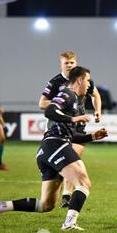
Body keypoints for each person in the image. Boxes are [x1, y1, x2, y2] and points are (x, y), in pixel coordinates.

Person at [0, 66, 108, 230]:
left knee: (46, 205)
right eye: (87, 80)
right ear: (79, 80)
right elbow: (49, 110)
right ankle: (69, 223)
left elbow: (71, 136)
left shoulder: (74, 101)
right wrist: (73, 119)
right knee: (83, 182)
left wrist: (92, 136)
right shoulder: (67, 94)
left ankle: (0, 206)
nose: (89, 85)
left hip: (48, 149)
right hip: (55, 145)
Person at [38, 51, 102, 208]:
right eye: (66, 63)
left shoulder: (84, 79)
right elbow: (42, 104)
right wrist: (61, 104)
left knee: (74, 157)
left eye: (72, 62)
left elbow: (96, 95)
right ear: (61, 64)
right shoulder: (56, 83)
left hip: (77, 127)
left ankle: (67, 194)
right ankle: (64, 189)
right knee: (69, 162)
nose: (69, 65)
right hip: (59, 126)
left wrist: (97, 111)